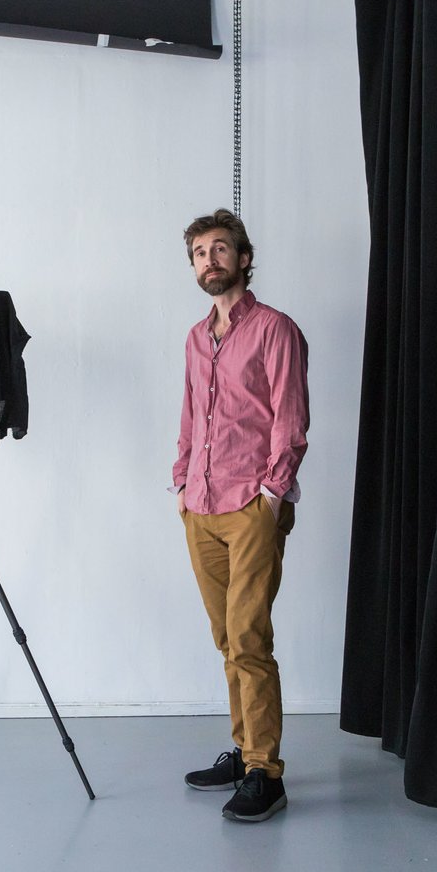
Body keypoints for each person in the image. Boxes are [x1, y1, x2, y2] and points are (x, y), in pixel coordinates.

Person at [173, 208, 309, 822]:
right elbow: (189, 418)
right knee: (225, 636)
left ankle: (265, 772)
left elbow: (290, 418)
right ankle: (242, 747)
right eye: (200, 253)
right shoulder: (196, 339)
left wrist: (273, 494)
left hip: (251, 506)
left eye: (221, 249)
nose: (210, 260)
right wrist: (180, 481)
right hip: (199, 506)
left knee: (249, 637)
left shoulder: (276, 329)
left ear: (244, 258)